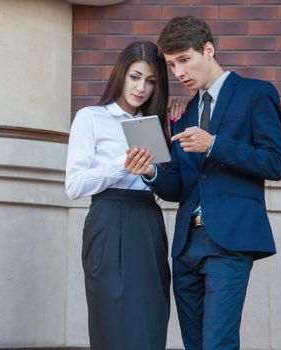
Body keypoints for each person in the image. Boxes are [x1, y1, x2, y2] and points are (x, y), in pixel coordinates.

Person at [125, 16, 281, 350]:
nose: (179, 72)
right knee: (194, 344)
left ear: (209, 49)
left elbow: (275, 162)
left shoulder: (256, 94)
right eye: (172, 65)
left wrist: (213, 144)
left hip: (229, 241)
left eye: (184, 59)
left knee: (218, 344)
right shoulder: (185, 112)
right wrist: (150, 171)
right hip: (186, 246)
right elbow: (179, 187)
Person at [65, 41, 173, 350]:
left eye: (151, 81)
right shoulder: (91, 117)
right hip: (108, 220)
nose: (142, 87)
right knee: (111, 318)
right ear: (121, 74)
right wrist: (120, 166)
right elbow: (74, 186)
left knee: (151, 316)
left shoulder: (154, 125)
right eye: (135, 76)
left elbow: (169, 182)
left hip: (147, 222)